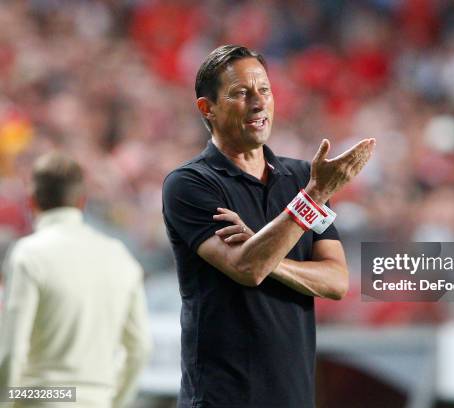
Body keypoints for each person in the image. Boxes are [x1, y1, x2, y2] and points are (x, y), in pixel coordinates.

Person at [162, 44, 375, 408]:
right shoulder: (190, 184)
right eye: (241, 93)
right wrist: (315, 196)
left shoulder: (301, 178)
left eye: (264, 90)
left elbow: (337, 282)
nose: (258, 102)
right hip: (220, 399)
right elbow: (246, 267)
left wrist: (268, 254)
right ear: (206, 108)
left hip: (293, 396)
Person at [0, 152, 152, 407]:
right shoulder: (119, 256)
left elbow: (13, 351)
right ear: (82, 202)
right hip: (98, 399)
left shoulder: (28, 254)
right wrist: (111, 400)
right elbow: (140, 349)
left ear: (32, 201)